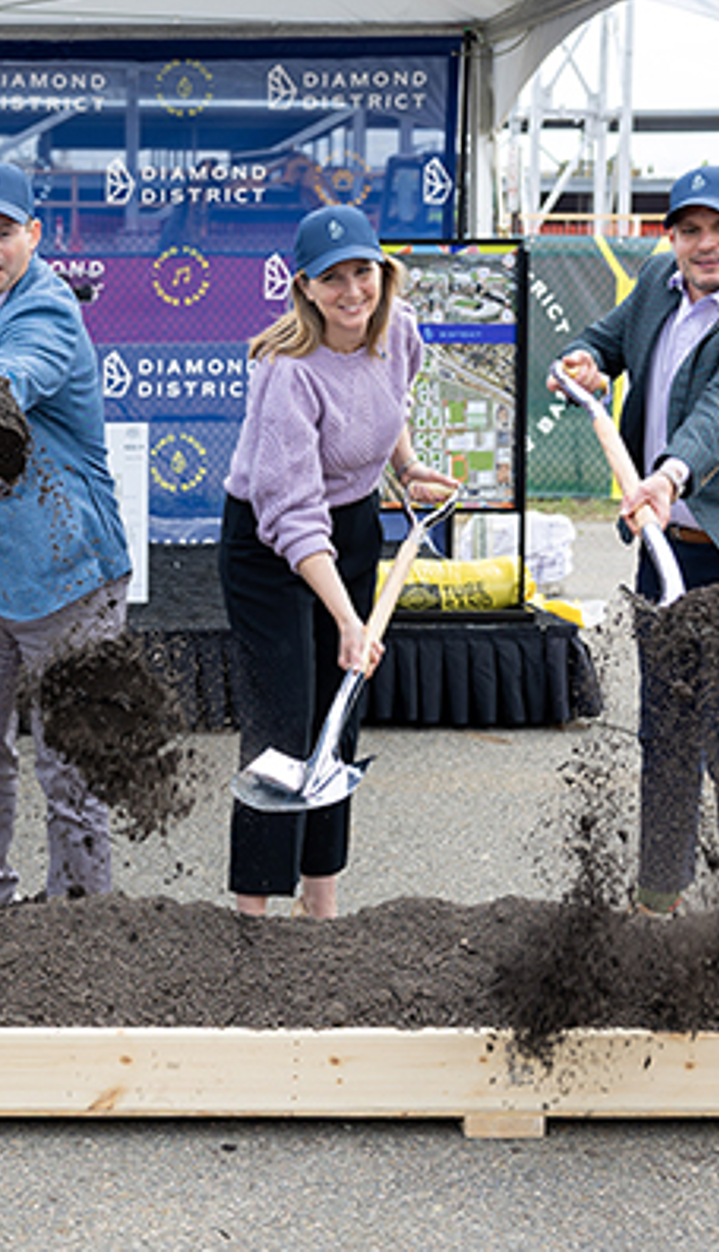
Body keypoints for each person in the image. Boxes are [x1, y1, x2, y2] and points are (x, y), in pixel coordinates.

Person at [552, 164, 719, 915]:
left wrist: (669, 475)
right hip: (668, 556)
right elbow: (606, 341)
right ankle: (657, 906)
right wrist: (584, 360)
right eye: (689, 230)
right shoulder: (658, 282)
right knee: (666, 739)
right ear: (671, 235)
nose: (705, 245)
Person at [218, 206, 459, 920]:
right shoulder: (285, 372)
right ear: (306, 288)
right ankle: (251, 916)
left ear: (384, 274)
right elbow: (290, 516)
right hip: (270, 546)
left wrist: (408, 468)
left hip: (352, 527)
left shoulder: (399, 331)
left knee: (339, 712)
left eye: (365, 272)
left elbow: (388, 410)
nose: (353, 292)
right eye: (334, 279)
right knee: (284, 727)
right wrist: (351, 620)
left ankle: (320, 906)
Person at [0, 159, 133, 916]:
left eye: (4, 234)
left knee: (70, 763)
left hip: (69, 571)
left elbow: (15, 376)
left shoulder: (47, 311)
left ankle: (79, 920)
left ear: (34, 236)